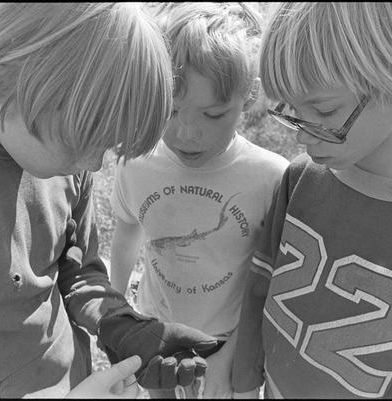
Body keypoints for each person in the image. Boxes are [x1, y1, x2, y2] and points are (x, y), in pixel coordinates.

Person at [0, 3, 219, 398]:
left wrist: (120, 326)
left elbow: (76, 268)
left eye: (108, 144)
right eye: (85, 140)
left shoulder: (54, 156)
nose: (95, 163)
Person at [231, 2, 392, 399]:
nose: (302, 135)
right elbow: (261, 288)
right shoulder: (301, 177)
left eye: (324, 109)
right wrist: (243, 385)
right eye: (291, 109)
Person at [109, 3, 289, 398]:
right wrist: (115, 314)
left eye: (214, 114)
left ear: (249, 95)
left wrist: (236, 352)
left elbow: (272, 279)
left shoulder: (272, 177)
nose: (188, 133)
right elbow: (126, 233)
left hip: (230, 344)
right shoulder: (136, 163)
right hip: (155, 333)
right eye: (171, 110)